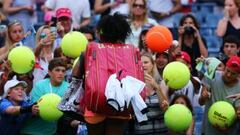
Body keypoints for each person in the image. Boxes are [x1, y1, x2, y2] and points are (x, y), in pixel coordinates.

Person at [20, 58, 70, 135]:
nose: (61, 73)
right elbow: (34, 108)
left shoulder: (68, 87)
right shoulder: (40, 85)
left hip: (51, 132)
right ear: (49, 72)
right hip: (31, 131)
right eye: (57, 70)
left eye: (63, 71)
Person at [199, 56, 240, 135]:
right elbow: (201, 102)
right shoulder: (211, 74)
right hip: (207, 130)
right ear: (224, 67)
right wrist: (203, 97)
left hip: (227, 132)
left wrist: (226, 128)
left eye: (233, 74)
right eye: (227, 71)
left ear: (238, 75)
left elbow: (238, 111)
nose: (228, 75)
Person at [132, 52, 168, 134]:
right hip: (141, 131)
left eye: (146, 62)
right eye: (141, 63)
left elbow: (165, 108)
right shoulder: (133, 84)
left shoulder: (161, 82)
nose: (143, 65)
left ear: (153, 65)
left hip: (161, 131)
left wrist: (156, 87)